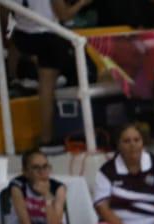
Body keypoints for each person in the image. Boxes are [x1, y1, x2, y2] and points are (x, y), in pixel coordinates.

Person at [8, 0, 94, 150]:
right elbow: (64, 15)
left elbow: (5, 14)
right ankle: (46, 138)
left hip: (22, 35)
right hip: (46, 35)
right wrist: (81, 3)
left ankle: (13, 78)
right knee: (47, 89)